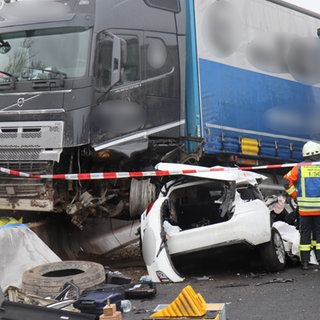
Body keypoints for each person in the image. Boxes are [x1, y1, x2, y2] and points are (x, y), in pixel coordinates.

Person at [283, 140, 320, 270]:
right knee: (318, 236)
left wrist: (296, 196)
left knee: (305, 235)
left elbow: (286, 182)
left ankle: (304, 262)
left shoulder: (299, 167)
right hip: (319, 210)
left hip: (305, 210)